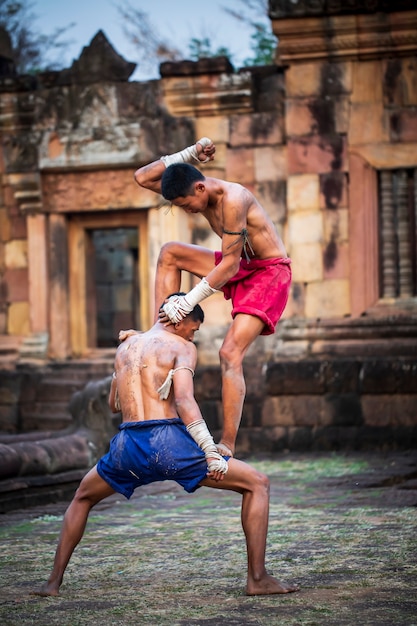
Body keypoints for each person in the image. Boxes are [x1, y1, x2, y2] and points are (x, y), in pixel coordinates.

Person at [34, 298, 298, 597]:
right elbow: (185, 401)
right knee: (257, 484)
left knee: (82, 497)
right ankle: (258, 579)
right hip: (167, 443)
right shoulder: (181, 347)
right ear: (179, 319)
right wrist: (210, 449)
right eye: (193, 329)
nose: (192, 336)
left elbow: (113, 405)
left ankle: (52, 583)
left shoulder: (125, 348)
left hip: (127, 446)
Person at [134, 138, 292, 458]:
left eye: (186, 203)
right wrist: (189, 154)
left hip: (268, 274)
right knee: (170, 253)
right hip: (241, 264)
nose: (187, 210)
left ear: (201, 189)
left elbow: (229, 264)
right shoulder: (196, 190)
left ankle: (228, 444)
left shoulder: (235, 199)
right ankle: (162, 334)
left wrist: (187, 301)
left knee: (229, 353)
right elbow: (142, 177)